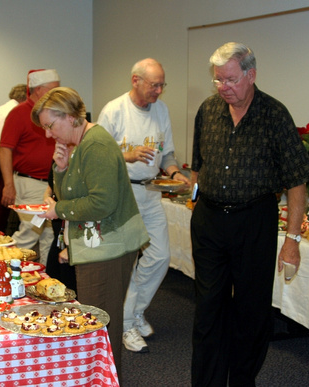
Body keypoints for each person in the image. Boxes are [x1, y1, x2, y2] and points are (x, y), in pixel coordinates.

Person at [189, 42, 309, 387]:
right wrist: (196, 197)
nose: (223, 88)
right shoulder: (208, 110)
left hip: (254, 221)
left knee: (251, 311)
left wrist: (292, 242)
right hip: (210, 221)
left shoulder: (274, 115)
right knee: (208, 310)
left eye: (230, 80)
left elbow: (297, 181)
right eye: (218, 81)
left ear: (251, 74)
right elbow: (199, 166)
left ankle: (242, 380)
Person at [33, 87, 149, 381]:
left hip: (108, 248)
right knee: (97, 324)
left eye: (50, 125)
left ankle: (106, 379)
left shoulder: (95, 145)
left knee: (101, 328)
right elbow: (72, 192)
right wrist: (60, 169)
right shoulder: (81, 143)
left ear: (71, 117)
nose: (48, 134)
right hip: (97, 246)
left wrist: (59, 210)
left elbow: (102, 203)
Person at [98, 58, 190, 353]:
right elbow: (96, 155)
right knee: (126, 262)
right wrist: (126, 154)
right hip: (122, 193)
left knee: (160, 257)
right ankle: (125, 324)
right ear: (135, 80)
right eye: (154, 85)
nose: (159, 91)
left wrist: (175, 173)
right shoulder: (114, 110)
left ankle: (133, 313)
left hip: (151, 191)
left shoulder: (161, 110)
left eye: (163, 85)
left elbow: (168, 153)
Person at [0, 69, 60, 265]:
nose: (58, 93)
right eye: (54, 89)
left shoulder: (53, 113)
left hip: (50, 184)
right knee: (29, 233)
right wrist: (8, 184)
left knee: (50, 236)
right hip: (29, 183)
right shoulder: (18, 113)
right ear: (39, 90)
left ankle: (43, 277)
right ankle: (3, 268)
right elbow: (5, 149)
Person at [0, 83, 26, 233]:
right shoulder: (16, 110)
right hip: (1, 153)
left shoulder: (1, 108)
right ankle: (0, 231)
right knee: (5, 198)